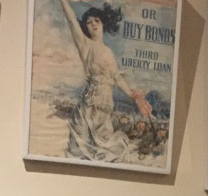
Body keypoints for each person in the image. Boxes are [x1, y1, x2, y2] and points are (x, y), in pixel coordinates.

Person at [58, 0, 152, 162]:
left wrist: (133, 96)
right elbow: (71, 19)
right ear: (85, 28)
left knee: (106, 151)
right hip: (88, 107)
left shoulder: (109, 52)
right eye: (88, 22)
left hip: (104, 109)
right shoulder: (85, 44)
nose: (93, 24)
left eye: (97, 21)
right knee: (79, 152)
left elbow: (117, 77)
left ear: (103, 24)